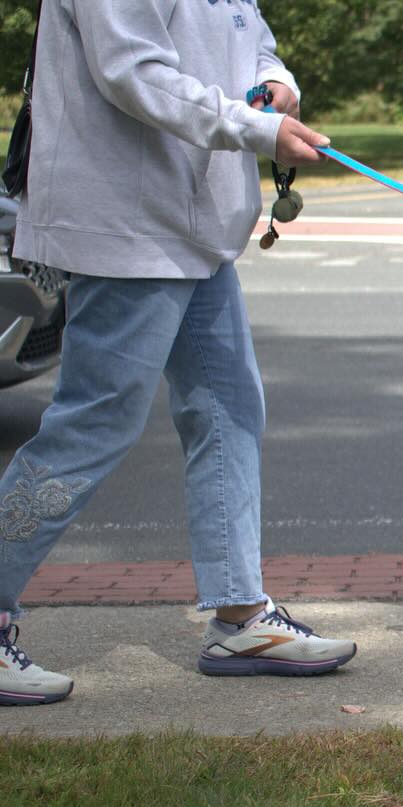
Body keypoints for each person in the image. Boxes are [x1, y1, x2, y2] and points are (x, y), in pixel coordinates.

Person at [0, 0, 355, 707]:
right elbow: (132, 73)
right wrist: (258, 128)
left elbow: (251, 39)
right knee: (95, 424)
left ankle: (240, 615)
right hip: (126, 226)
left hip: (194, 228)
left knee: (228, 410)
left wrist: (276, 84)